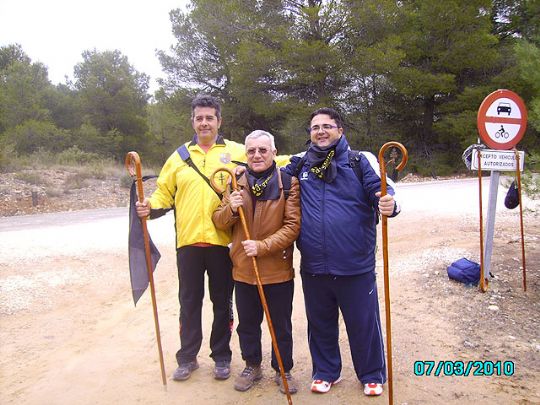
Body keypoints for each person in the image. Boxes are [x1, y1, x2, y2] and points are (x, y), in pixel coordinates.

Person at [283, 107, 400, 397]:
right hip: (314, 265)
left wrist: (389, 204)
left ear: (340, 130)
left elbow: (381, 190)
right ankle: (326, 372)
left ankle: (372, 374)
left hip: (354, 264)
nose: (320, 131)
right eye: (315, 127)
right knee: (320, 324)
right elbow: (269, 182)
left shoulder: (359, 160)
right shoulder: (299, 163)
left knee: (363, 324)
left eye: (327, 126)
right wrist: (241, 174)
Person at [135, 95, 247, 382]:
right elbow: (163, 192)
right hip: (187, 243)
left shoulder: (237, 151)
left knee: (222, 302)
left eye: (210, 117)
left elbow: (270, 160)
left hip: (222, 242)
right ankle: (187, 358)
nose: (204, 122)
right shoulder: (178, 157)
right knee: (189, 302)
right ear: (193, 121)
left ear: (219, 121)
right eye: (199, 118)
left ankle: (221, 357)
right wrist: (150, 206)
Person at [212, 130, 301, 394]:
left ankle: (283, 369)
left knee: (280, 324)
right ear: (246, 154)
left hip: (277, 270)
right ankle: (252, 364)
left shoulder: (288, 181)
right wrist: (230, 207)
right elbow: (218, 220)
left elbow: (293, 226)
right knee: (247, 324)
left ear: (274, 153)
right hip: (244, 270)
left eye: (263, 150)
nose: (257, 155)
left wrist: (261, 247)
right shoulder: (235, 181)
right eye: (251, 151)